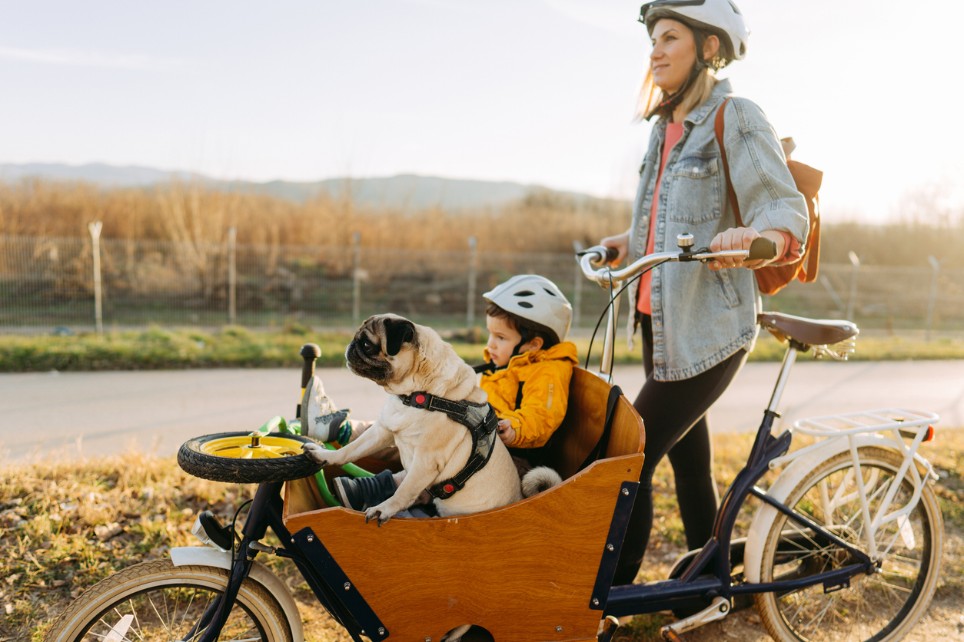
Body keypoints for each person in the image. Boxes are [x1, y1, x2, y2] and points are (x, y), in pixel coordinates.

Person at [599, 0, 809, 586]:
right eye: (653, 40)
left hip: (708, 325)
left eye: (670, 37)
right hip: (657, 320)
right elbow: (667, 218)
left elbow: (780, 203)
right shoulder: (663, 127)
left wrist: (763, 237)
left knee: (627, 460)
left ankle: (608, 598)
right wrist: (627, 240)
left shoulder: (735, 115)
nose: (655, 50)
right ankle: (704, 586)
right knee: (690, 464)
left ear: (709, 48)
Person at [304, 274, 578, 511]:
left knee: (427, 449)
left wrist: (513, 428)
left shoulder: (547, 373)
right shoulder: (505, 366)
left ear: (532, 345)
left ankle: (373, 486)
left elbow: (543, 415)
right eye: (490, 335)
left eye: (501, 338)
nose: (491, 344)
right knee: (411, 427)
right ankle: (338, 429)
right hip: (476, 441)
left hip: (510, 460)